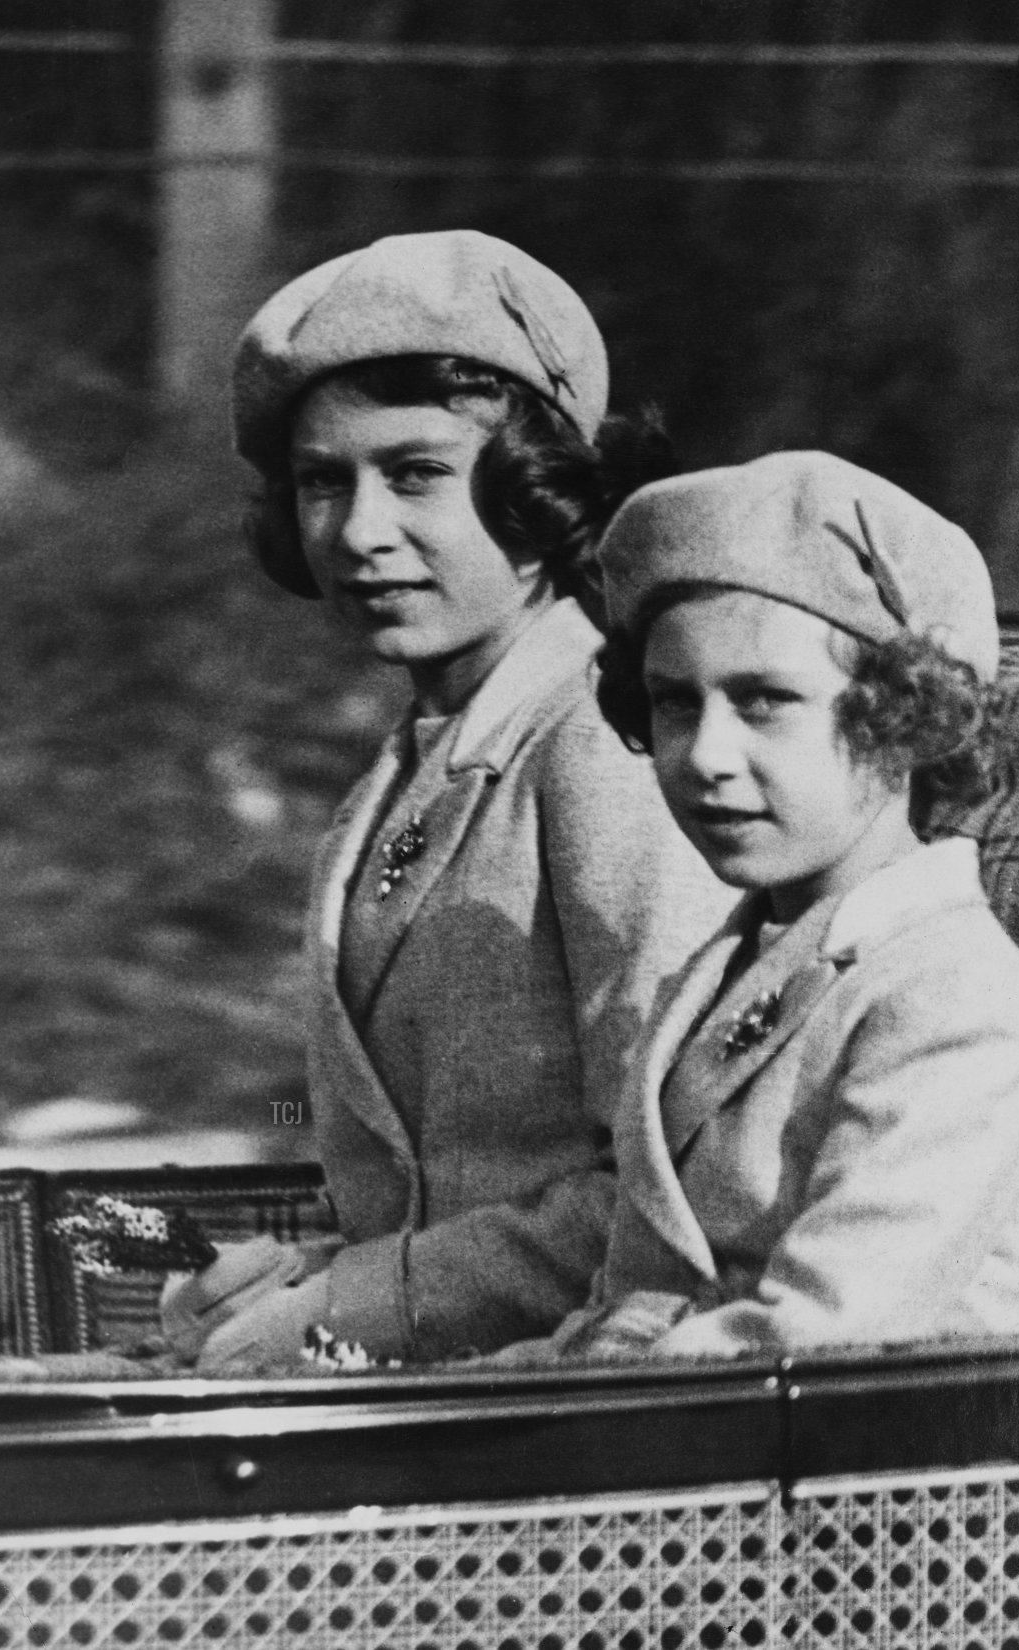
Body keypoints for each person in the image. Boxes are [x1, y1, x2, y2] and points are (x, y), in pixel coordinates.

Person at [160, 230, 734, 1372]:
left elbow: (682, 1189)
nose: (360, 533)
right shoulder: (408, 767)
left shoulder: (606, 748)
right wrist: (308, 1279)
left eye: (416, 473)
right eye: (324, 482)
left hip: (591, 1412)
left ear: (537, 488)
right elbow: (441, 1183)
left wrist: (357, 1306)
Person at [498, 451, 1019, 1365]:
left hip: (912, 1478)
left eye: (764, 701)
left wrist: (581, 1376)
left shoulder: (950, 995)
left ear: (904, 720)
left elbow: (825, 1335)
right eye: (673, 704)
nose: (704, 756)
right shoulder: (729, 964)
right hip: (716, 1449)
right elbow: (639, 1295)